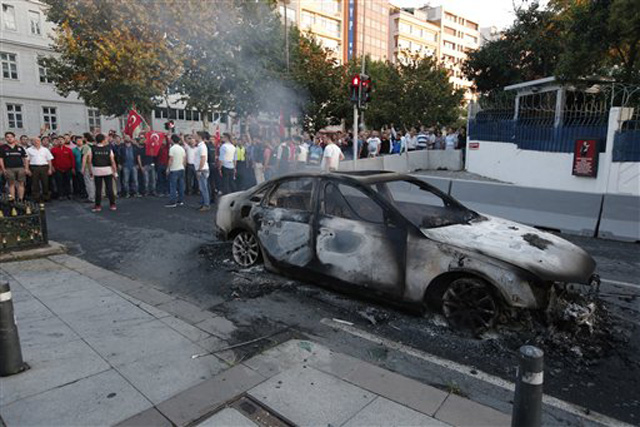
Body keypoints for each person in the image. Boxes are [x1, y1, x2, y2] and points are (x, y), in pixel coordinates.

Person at [88, 133, 117, 212]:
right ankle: (112, 204)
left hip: (97, 170)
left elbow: (89, 161)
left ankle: (98, 206)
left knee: (98, 189)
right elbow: (112, 161)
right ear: (103, 140)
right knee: (109, 188)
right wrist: (115, 171)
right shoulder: (108, 149)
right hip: (107, 170)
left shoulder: (92, 148)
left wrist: (91, 171)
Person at [0, 132, 29, 201]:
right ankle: (12, 199)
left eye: (11, 137)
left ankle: (20, 199)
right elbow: (1, 159)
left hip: (20, 168)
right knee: (11, 184)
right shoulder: (2, 148)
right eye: (8, 137)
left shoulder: (20, 147)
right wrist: (3, 169)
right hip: (9, 168)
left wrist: (26, 168)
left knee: (21, 184)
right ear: (5, 138)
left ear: (14, 138)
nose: (9, 138)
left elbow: (25, 158)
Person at [26, 136, 53, 202]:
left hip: (44, 167)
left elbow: (49, 160)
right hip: (33, 167)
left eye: (38, 141)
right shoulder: (29, 150)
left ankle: (46, 196)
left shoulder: (45, 149)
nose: (36, 142)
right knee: (35, 183)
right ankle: (36, 197)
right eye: (34, 141)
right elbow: (27, 160)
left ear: (40, 142)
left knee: (45, 183)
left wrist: (50, 169)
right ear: (32, 142)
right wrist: (27, 169)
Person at [165, 134, 187, 208]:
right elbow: (184, 159)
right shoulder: (182, 148)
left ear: (172, 140)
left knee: (173, 186)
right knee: (181, 185)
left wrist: (168, 168)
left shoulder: (172, 148)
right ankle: (180, 200)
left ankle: (172, 201)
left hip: (174, 169)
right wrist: (183, 166)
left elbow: (171, 159)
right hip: (181, 168)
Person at [194, 135, 210, 211]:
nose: (194, 137)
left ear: (199, 137)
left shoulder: (202, 146)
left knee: (203, 188)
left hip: (202, 169)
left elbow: (203, 158)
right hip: (202, 168)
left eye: (196, 136)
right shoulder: (200, 146)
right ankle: (204, 202)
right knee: (202, 187)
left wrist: (199, 170)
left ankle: (206, 205)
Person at [81, 132, 95, 204]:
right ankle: (94, 196)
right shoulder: (94, 145)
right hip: (95, 165)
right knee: (93, 181)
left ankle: (91, 197)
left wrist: (82, 168)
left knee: (89, 182)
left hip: (88, 166)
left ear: (85, 138)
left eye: (83, 137)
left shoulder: (86, 146)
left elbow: (85, 158)